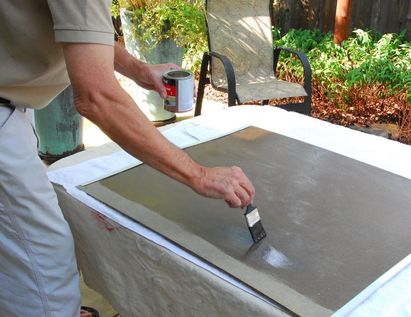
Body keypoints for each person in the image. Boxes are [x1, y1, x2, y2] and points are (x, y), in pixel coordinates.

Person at [0, 1, 255, 316]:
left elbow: (80, 31)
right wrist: (198, 174)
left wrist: (139, 71)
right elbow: (96, 98)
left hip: (11, 104)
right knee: (45, 266)